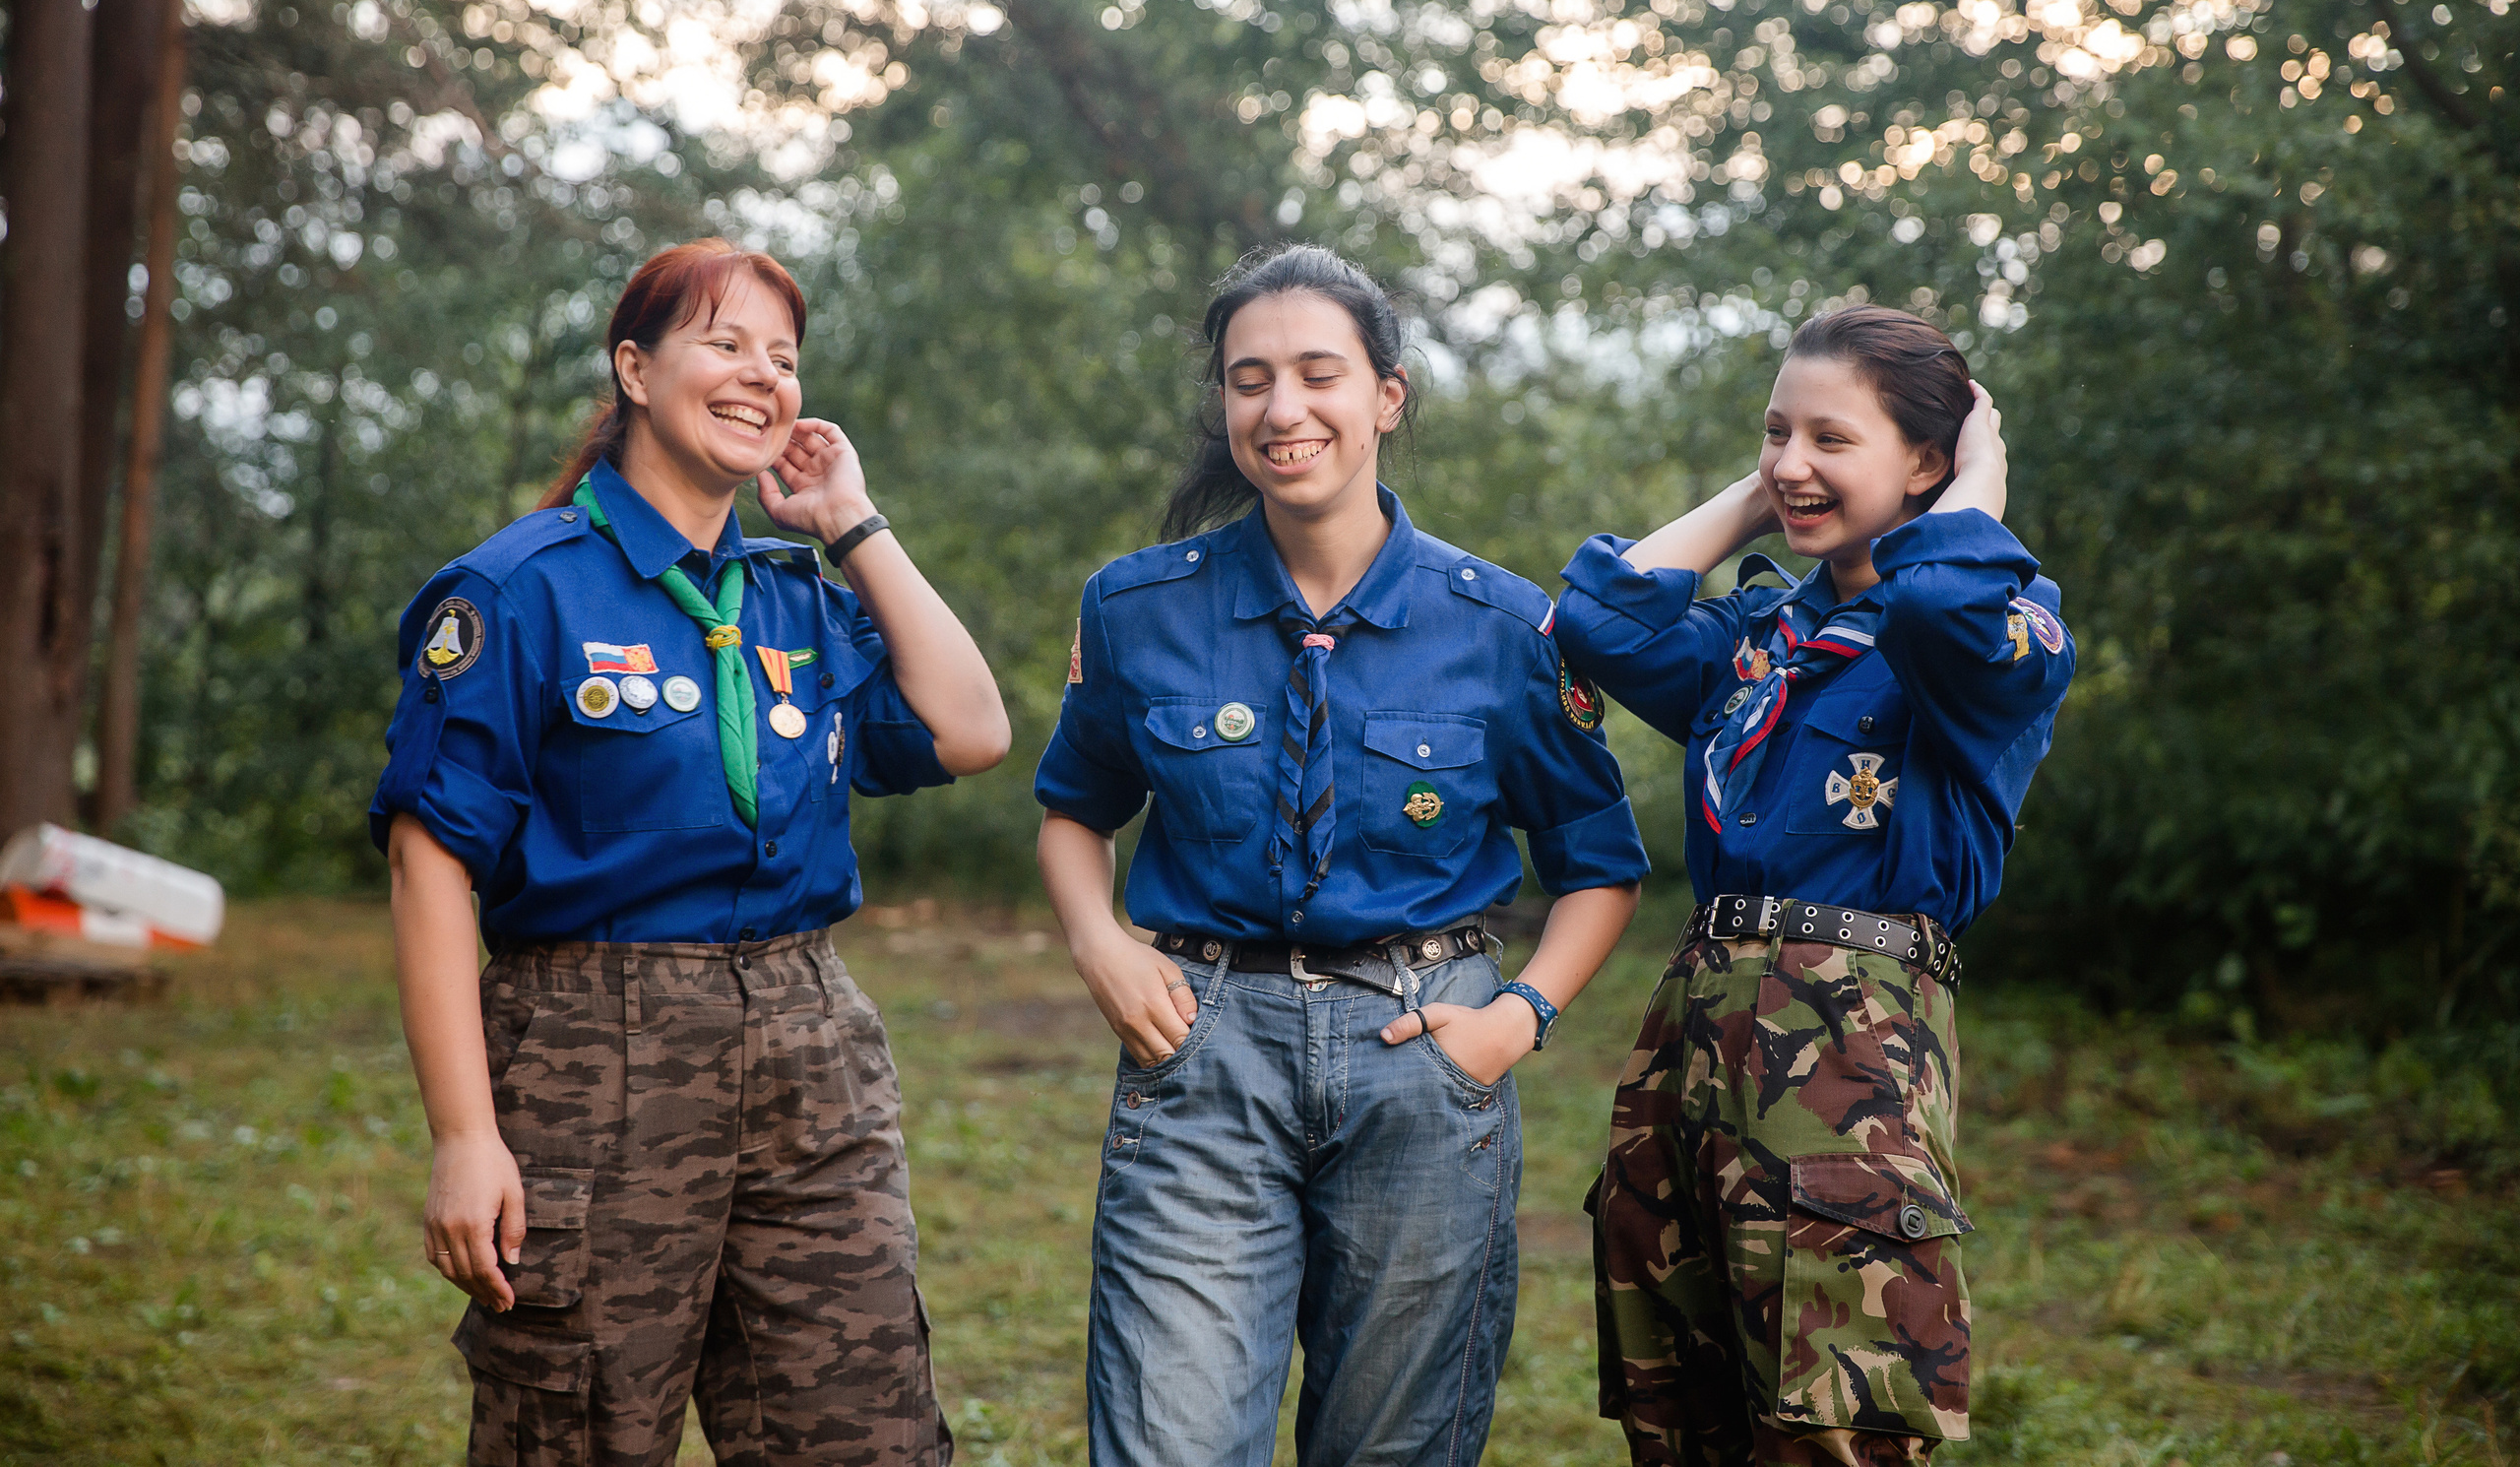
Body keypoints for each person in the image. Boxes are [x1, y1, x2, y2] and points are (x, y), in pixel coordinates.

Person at [371, 238, 1008, 1467]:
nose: (762, 377)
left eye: (783, 357)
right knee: (579, 1428)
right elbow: (428, 865)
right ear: (634, 370)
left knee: (862, 1429)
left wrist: (854, 525)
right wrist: (465, 1135)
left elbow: (968, 728)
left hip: (808, 1045)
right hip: (592, 1053)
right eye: (724, 343)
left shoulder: (793, 598)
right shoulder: (519, 589)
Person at [1034, 244, 1651, 1467]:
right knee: (1170, 1440)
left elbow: (1597, 862)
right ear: (1223, 405)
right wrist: (1101, 944)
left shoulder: (1504, 625)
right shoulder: (1136, 607)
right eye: (1248, 378)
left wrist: (1517, 1018)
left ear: (1386, 396)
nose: (1281, 409)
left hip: (1426, 1059)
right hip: (1200, 1052)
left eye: (1319, 373)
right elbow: (1072, 807)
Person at [1557, 304, 2074, 1467]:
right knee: (1677, 1411)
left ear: (1929, 463)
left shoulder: (2004, 630)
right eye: (1774, 432)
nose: (1793, 461)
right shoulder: (1759, 637)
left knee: (1835, 1425)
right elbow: (1595, 619)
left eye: (1831, 440)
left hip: (1850, 1049)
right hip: (1690, 1040)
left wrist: (1976, 483)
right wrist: (1771, 496)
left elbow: (1940, 605)